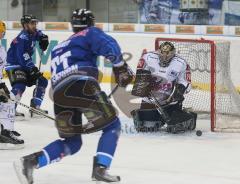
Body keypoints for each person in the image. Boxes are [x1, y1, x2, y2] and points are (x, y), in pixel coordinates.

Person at [14, 8, 133, 183]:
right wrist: (120, 66)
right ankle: (101, 168)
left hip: (59, 96)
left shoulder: (60, 47)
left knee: (72, 142)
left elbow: (61, 76)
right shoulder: (90, 33)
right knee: (112, 125)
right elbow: (109, 45)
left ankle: (30, 162)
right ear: (90, 23)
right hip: (82, 86)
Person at [131, 42, 197, 133]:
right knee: (147, 127)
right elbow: (140, 76)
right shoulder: (148, 57)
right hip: (150, 100)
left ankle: (188, 115)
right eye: (162, 54)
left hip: (170, 101)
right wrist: (142, 86)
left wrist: (179, 91)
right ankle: (158, 118)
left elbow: (186, 83)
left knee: (175, 127)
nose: (165, 57)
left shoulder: (181, 63)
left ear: (173, 53)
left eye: (168, 55)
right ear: (159, 51)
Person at [5, 14, 49, 119]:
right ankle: (9, 110)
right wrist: (32, 68)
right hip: (14, 66)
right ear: (25, 25)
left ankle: (35, 107)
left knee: (42, 80)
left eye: (35, 23)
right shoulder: (22, 38)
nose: (34, 25)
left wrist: (43, 37)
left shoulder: (32, 33)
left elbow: (38, 33)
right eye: (32, 23)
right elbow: (22, 56)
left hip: (24, 66)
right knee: (20, 85)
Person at [0, 20, 24, 149]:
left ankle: (6, 130)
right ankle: (5, 134)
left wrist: (1, 87)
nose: (1, 35)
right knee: (8, 103)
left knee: (8, 101)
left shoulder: (2, 50)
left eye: (2, 33)